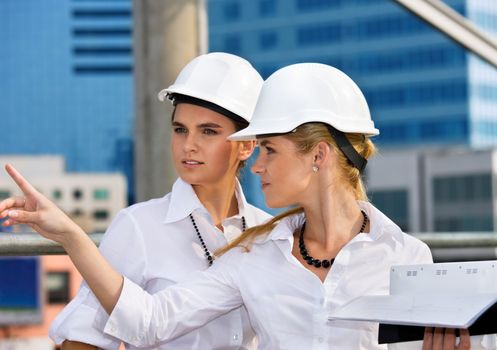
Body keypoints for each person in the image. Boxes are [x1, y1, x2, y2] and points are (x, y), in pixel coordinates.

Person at [1, 63, 481, 350]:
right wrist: (70, 234)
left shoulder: (408, 258)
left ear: (318, 155)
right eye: (180, 129)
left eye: (268, 149)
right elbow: (147, 323)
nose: (258, 164)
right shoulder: (253, 254)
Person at [13, 52, 271, 350]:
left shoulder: (269, 234)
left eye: (208, 132)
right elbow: (83, 337)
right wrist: (71, 236)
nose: (188, 145)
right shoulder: (138, 226)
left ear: (247, 145)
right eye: (180, 130)